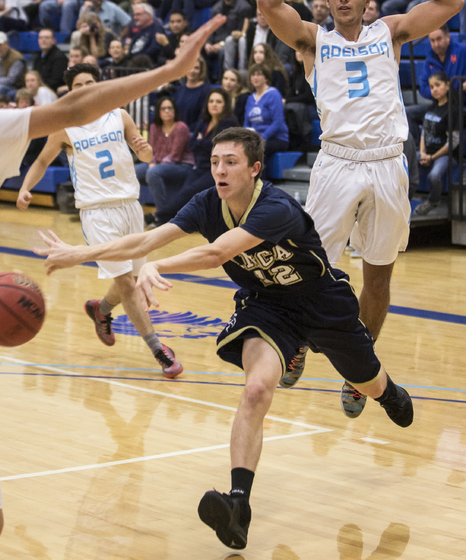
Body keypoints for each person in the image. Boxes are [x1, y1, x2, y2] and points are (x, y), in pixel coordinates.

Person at [0, 15, 224, 559]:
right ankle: (146, 338)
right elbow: (71, 113)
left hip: (118, 205)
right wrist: (172, 69)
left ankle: (111, 313)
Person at [35, 127, 414, 551]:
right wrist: (79, 253)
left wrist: (158, 267)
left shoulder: (276, 207)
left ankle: (387, 391)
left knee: (369, 381)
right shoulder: (206, 203)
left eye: (231, 162)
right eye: (215, 162)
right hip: (268, 307)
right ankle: (238, 505)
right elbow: (146, 238)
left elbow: (217, 254)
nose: (220, 170)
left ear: (254, 169)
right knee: (255, 390)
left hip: (322, 302)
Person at [257, 0, 463, 362]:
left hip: (388, 163)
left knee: (378, 276)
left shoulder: (389, 31)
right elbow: (268, 2)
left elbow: (450, 2)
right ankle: (295, 341)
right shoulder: (312, 40)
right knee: (309, 269)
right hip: (336, 163)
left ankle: (360, 363)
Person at [16, 62, 182, 377]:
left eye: (90, 83)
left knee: (130, 281)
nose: (86, 89)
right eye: (78, 86)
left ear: (99, 85)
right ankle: (159, 350)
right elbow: (41, 161)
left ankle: (101, 310)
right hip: (97, 211)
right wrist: (26, 188)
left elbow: (145, 156)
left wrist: (145, 151)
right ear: (70, 91)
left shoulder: (119, 115)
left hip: (130, 206)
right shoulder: (64, 126)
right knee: (126, 284)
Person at [151, 88, 238, 225]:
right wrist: (203, 143)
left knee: (190, 192)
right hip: (199, 167)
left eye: (218, 102)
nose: (214, 104)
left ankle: (158, 216)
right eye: (211, 101)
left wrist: (201, 142)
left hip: (217, 170)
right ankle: (177, 221)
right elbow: (192, 144)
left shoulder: (228, 123)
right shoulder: (203, 122)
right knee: (184, 192)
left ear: (225, 105)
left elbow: (218, 146)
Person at [137, 95, 193, 226]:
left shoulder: (181, 127)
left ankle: (163, 216)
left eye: (169, 108)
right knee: (133, 172)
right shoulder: (154, 127)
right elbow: (153, 151)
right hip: (159, 165)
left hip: (182, 166)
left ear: (174, 111)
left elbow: (175, 156)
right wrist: (151, 164)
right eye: (163, 108)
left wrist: (153, 168)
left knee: (153, 173)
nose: (167, 111)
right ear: (158, 111)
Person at [414, 72, 459, 215]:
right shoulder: (430, 108)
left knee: (434, 175)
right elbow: (424, 133)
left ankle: (433, 201)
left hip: (446, 155)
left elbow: (453, 142)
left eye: (437, 85)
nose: (434, 89)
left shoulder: (453, 111)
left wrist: (432, 158)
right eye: (431, 86)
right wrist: (422, 153)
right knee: (404, 160)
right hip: (428, 153)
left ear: (447, 85)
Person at [204, 0, 252, 77]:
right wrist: (208, 43)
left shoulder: (244, 7)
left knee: (222, 51)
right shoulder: (216, 7)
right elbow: (210, 29)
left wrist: (221, 44)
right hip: (215, 42)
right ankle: (206, 81)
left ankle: (222, 80)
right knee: (201, 49)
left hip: (233, 42)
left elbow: (240, 32)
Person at [244, 63, 289, 159]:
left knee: (255, 149)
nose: (255, 77)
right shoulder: (250, 99)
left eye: (259, 74)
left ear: (266, 78)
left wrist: (263, 136)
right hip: (256, 139)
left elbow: (278, 122)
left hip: (276, 138)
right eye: (253, 75)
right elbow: (246, 123)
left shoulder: (274, 94)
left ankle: (258, 174)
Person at [172, 56, 211, 128]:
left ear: (201, 70)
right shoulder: (180, 89)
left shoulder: (206, 90)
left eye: (196, 68)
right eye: (189, 67)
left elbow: (204, 117)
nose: (192, 71)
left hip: (195, 133)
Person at [31, 28, 69, 93]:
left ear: (53, 41)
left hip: (53, 92)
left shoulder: (59, 57)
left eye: (47, 38)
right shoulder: (38, 57)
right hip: (39, 89)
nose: (43, 40)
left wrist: (39, 87)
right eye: (41, 38)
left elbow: (56, 81)